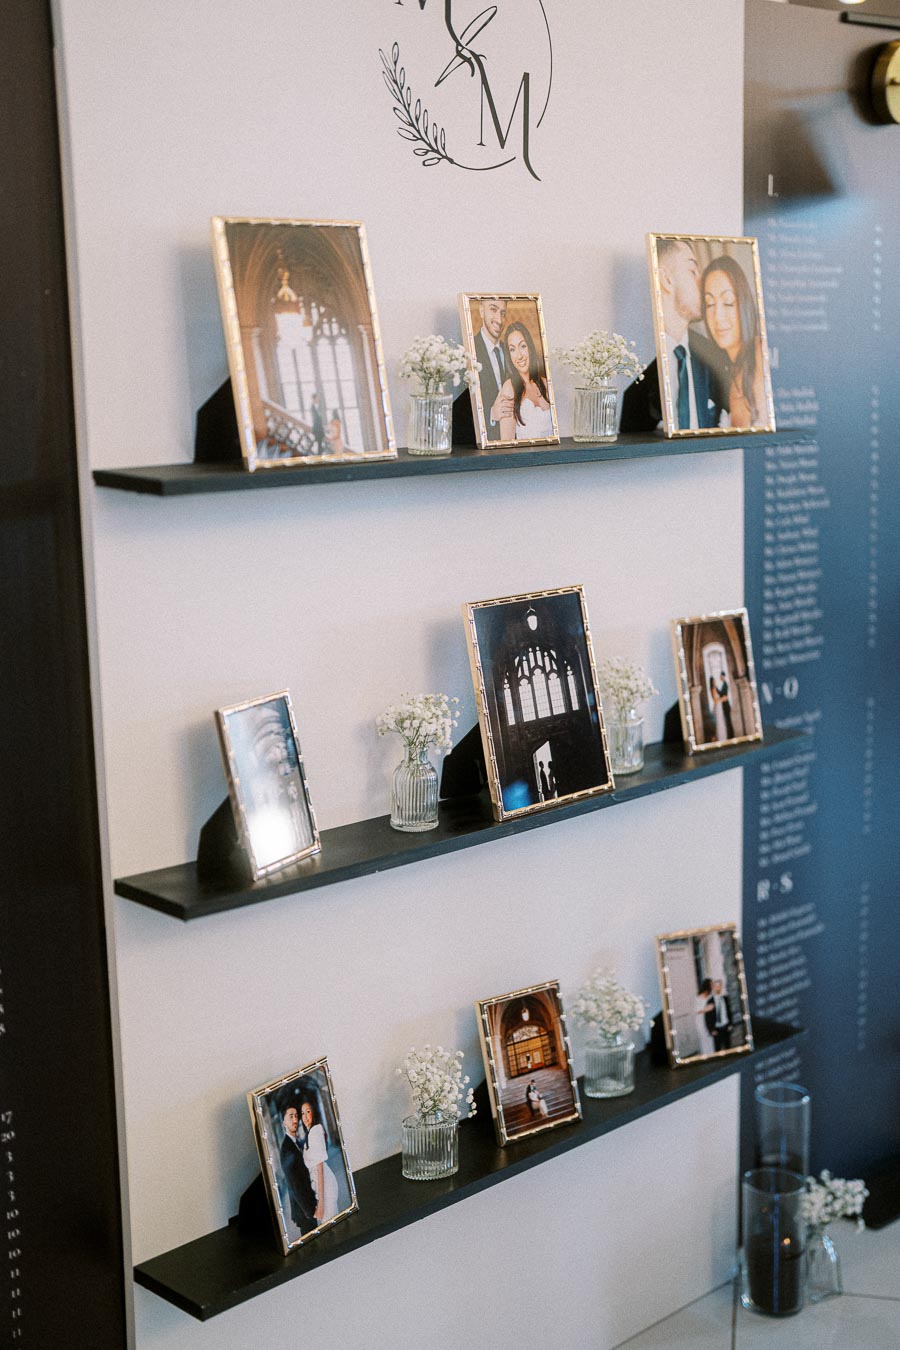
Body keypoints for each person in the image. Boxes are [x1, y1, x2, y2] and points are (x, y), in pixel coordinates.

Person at [656, 237, 726, 430]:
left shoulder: (713, 357)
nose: (703, 284)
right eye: (693, 271)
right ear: (666, 279)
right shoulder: (642, 366)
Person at [701, 253, 767, 428]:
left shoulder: (760, 355)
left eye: (728, 302)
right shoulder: (723, 372)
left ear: (743, 303)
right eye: (709, 304)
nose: (718, 316)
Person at [498, 321, 553, 442]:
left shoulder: (545, 383)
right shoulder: (509, 388)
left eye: (523, 346)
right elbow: (506, 443)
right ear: (509, 355)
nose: (519, 356)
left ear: (530, 347)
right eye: (512, 350)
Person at [472, 297, 510, 441]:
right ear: (481, 311)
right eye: (493, 310)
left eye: (503, 313)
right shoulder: (469, 351)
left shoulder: (510, 351)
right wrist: (491, 415)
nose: (499, 320)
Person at [279, 1103, 317, 1236]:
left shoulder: (295, 1143)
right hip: (304, 1211)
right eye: (291, 1117)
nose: (295, 1120)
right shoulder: (286, 1149)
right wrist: (309, 1212)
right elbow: (294, 1185)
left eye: (296, 1116)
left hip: (309, 1205)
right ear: (284, 1122)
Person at [301, 1098, 339, 1223]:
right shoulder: (311, 1132)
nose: (305, 1116)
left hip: (326, 1186)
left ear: (314, 1112)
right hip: (323, 1186)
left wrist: (321, 1203)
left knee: (329, 1224)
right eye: (302, 1113)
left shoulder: (315, 1131)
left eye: (308, 1112)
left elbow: (320, 1168)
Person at [706, 979, 733, 1052]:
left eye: (719, 986)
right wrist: (711, 1029)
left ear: (721, 987)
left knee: (728, 1047)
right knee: (718, 1048)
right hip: (717, 1028)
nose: (718, 988)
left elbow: (729, 1011)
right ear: (713, 988)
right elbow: (708, 1017)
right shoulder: (710, 1001)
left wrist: (730, 1024)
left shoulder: (725, 998)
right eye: (716, 986)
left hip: (726, 1025)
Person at [695, 978, 715, 1057]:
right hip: (700, 1020)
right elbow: (697, 1011)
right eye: (711, 984)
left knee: (710, 1037)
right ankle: (705, 1055)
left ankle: (712, 1054)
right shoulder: (698, 997)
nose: (713, 986)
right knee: (703, 1038)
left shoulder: (710, 996)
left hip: (708, 1020)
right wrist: (707, 1009)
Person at [716, 670, 735, 740]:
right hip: (725, 705)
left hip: (726, 705)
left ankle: (732, 735)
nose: (720, 677)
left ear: (723, 676)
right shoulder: (724, 684)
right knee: (727, 720)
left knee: (729, 721)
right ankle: (730, 735)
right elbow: (721, 694)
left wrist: (716, 689)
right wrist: (716, 688)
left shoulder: (725, 684)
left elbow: (723, 695)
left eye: (721, 676)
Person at [709, 675, 728, 743]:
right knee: (720, 722)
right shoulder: (713, 689)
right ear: (711, 682)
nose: (715, 682)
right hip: (717, 707)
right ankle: (721, 738)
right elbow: (715, 700)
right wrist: (723, 699)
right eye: (713, 681)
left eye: (715, 681)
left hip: (719, 706)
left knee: (721, 721)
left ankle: (722, 737)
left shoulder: (715, 688)